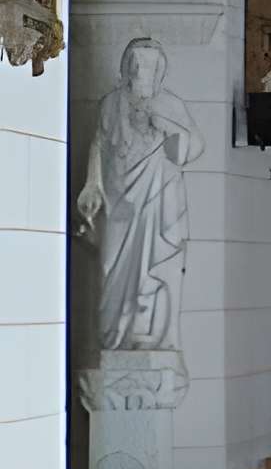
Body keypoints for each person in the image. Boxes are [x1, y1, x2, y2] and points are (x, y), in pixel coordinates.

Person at [76, 37, 203, 352]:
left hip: (157, 199)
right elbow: (99, 144)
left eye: (148, 64)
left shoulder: (170, 104)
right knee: (108, 266)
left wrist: (170, 130)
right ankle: (113, 338)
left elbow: (193, 147)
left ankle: (149, 335)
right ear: (125, 65)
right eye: (135, 62)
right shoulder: (110, 103)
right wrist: (92, 183)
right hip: (117, 199)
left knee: (153, 268)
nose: (140, 69)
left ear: (159, 69)